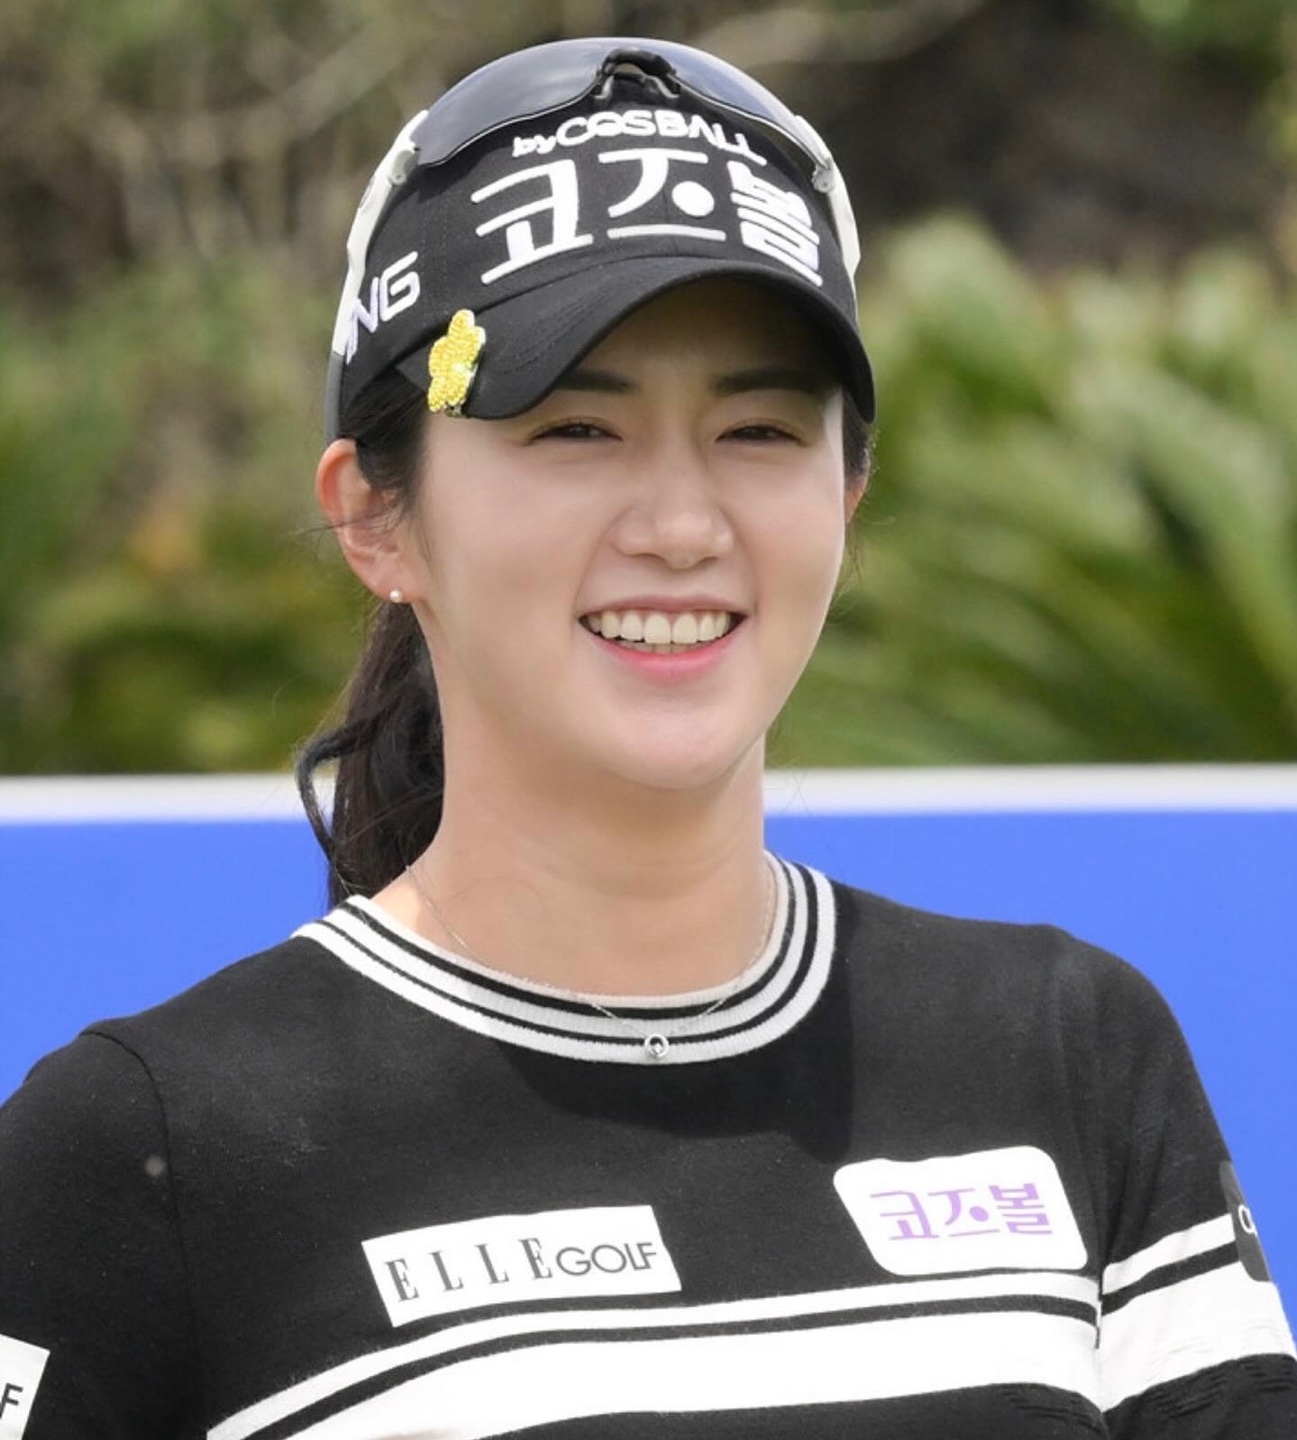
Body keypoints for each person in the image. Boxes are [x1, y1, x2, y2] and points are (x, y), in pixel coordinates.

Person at [0, 35, 1293, 1440]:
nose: (681, 527)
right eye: (575, 431)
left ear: (847, 493)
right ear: (376, 517)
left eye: (758, 430)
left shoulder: (1067, 1048)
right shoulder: (144, 1152)